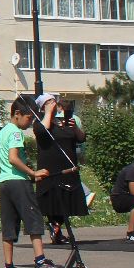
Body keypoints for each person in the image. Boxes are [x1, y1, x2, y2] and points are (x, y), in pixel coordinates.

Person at [0, 95, 56, 268]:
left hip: (4, 183)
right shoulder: (15, 132)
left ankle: (9, 266)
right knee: (33, 219)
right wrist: (33, 173)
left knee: (9, 226)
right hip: (18, 183)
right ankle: (40, 260)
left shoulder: (3, 131)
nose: (30, 122)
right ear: (17, 114)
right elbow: (13, 158)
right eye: (29, 118)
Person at [32, 94, 87, 245]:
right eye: (49, 102)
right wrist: (48, 113)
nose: (53, 103)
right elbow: (43, 131)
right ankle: (55, 227)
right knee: (52, 199)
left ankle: (56, 227)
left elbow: (81, 138)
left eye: (53, 100)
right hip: (51, 168)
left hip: (68, 169)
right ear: (43, 106)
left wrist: (75, 127)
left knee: (67, 199)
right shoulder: (39, 122)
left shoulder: (64, 121)